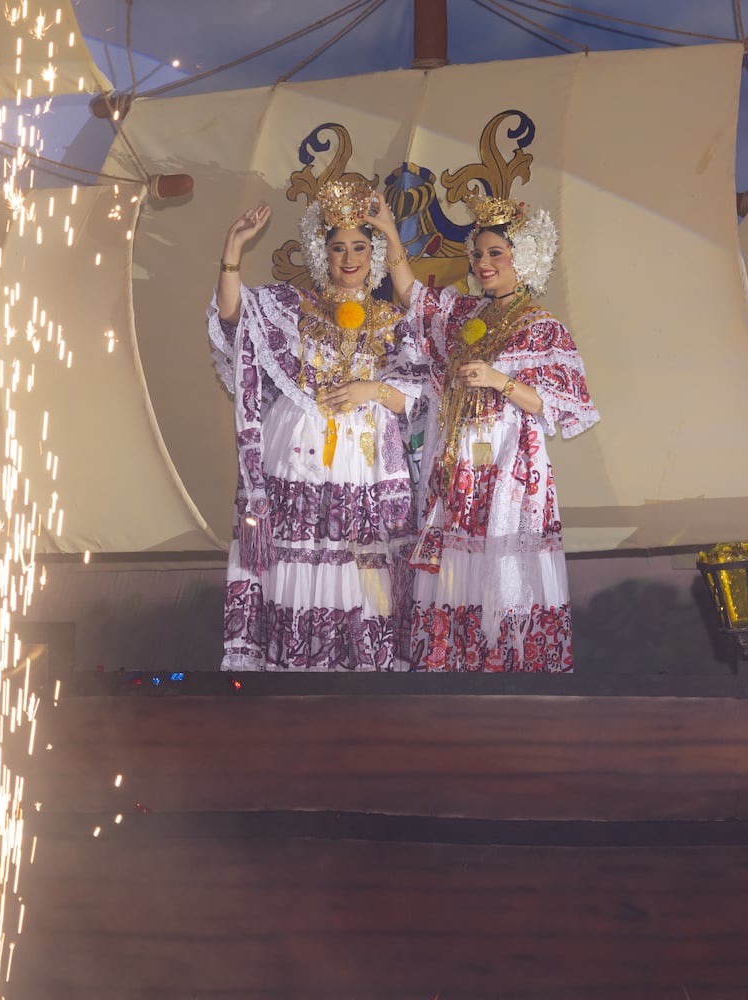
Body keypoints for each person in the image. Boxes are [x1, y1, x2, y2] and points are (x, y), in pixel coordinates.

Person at [370, 191, 598, 672]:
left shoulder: (541, 326)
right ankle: (455, 668)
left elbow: (555, 403)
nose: (483, 263)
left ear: (525, 257)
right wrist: (389, 231)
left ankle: (512, 672)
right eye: (477, 254)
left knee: (502, 564)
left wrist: (500, 380)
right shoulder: (464, 314)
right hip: (458, 465)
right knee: (458, 566)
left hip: (509, 463)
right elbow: (412, 295)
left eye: (496, 253)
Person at [208, 179, 422, 671]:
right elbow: (233, 318)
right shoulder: (292, 307)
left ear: (374, 254)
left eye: (360, 247)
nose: (349, 258)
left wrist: (372, 390)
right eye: (338, 247)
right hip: (296, 459)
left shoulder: (394, 321)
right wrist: (232, 251)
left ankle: (362, 675)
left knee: (361, 566)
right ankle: (292, 673)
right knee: (294, 560)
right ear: (322, 253)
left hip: (365, 466)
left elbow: (417, 397)